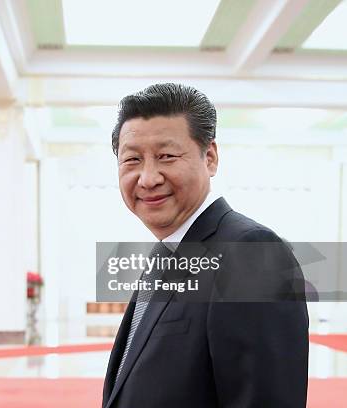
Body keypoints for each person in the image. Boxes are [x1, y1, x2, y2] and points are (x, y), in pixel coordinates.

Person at [102, 83, 308, 408]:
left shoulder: (250, 253)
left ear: (209, 158)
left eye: (166, 156)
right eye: (132, 160)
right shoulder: (166, 252)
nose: (148, 177)